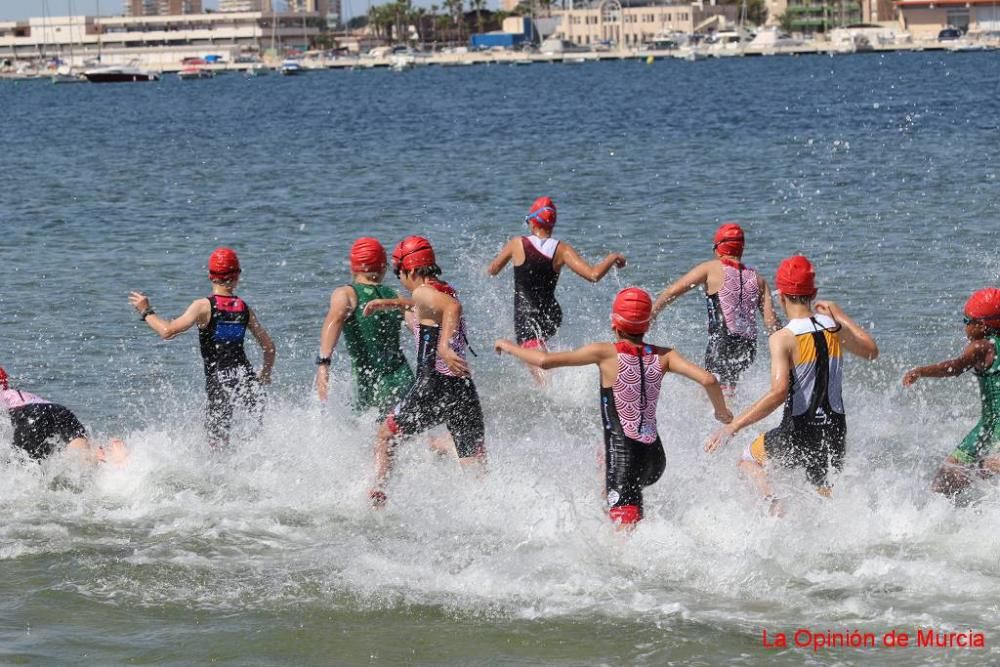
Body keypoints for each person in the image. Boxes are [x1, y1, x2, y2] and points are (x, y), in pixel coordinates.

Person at [495, 287, 732, 528]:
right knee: (605, 465)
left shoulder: (605, 353)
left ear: (614, 325)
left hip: (625, 457)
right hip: (655, 459)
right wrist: (721, 412)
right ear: (647, 325)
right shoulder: (665, 355)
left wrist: (509, 346)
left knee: (624, 533)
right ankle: (613, 507)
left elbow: (544, 361)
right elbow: (709, 380)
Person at [704, 255, 878, 512]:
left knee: (748, 460)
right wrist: (839, 314)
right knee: (823, 501)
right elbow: (872, 351)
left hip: (798, 432)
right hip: (835, 431)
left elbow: (778, 393)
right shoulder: (834, 327)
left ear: (781, 296)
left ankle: (773, 508)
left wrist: (734, 425)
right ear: (814, 293)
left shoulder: (783, 338)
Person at [363, 236, 486, 506]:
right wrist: (389, 304)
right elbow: (435, 305)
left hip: (432, 386)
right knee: (474, 466)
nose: (400, 280)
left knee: (385, 435)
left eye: (399, 274)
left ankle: (377, 498)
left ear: (411, 270)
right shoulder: (445, 289)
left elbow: (450, 308)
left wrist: (442, 346)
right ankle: (486, 509)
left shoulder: (423, 293)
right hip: (463, 389)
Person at [128, 247, 276, 448]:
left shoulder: (203, 306)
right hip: (247, 380)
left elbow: (167, 332)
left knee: (217, 447)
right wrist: (265, 374)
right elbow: (269, 347)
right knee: (253, 443)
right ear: (237, 277)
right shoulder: (243, 308)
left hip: (221, 383)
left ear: (210, 276)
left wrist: (146, 311)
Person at [487, 196, 627, 382]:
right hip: (551, 315)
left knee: (543, 377)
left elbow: (492, 270)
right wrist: (612, 257)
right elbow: (593, 275)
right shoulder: (562, 249)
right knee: (541, 357)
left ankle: (564, 397)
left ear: (532, 222)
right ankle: (567, 387)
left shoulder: (517, 243)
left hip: (527, 318)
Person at [651, 223, 780, 395]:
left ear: (718, 250)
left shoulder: (711, 268)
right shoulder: (758, 279)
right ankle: (731, 418)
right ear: (741, 249)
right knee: (727, 389)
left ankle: (722, 421)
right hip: (749, 346)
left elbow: (673, 291)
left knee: (716, 392)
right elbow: (772, 324)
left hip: (723, 342)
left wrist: (652, 312)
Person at [903, 287, 1000, 500]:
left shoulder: (981, 347)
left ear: (983, 325)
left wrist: (921, 371)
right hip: (986, 427)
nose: (964, 327)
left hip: (993, 427)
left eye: (967, 321)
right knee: (945, 480)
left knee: (945, 485)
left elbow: (954, 367)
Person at [315, 237, 415, 416]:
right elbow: (419, 329)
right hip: (404, 378)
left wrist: (323, 364)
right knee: (405, 434)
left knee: (372, 436)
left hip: (369, 382)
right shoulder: (394, 295)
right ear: (383, 267)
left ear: (352, 266)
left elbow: (335, 320)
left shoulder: (346, 294)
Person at [0, 366, 127, 464]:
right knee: (82, 456)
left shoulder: (5, 403)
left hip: (26, 417)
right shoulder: (17, 393)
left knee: (30, 471)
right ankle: (109, 452)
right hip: (57, 410)